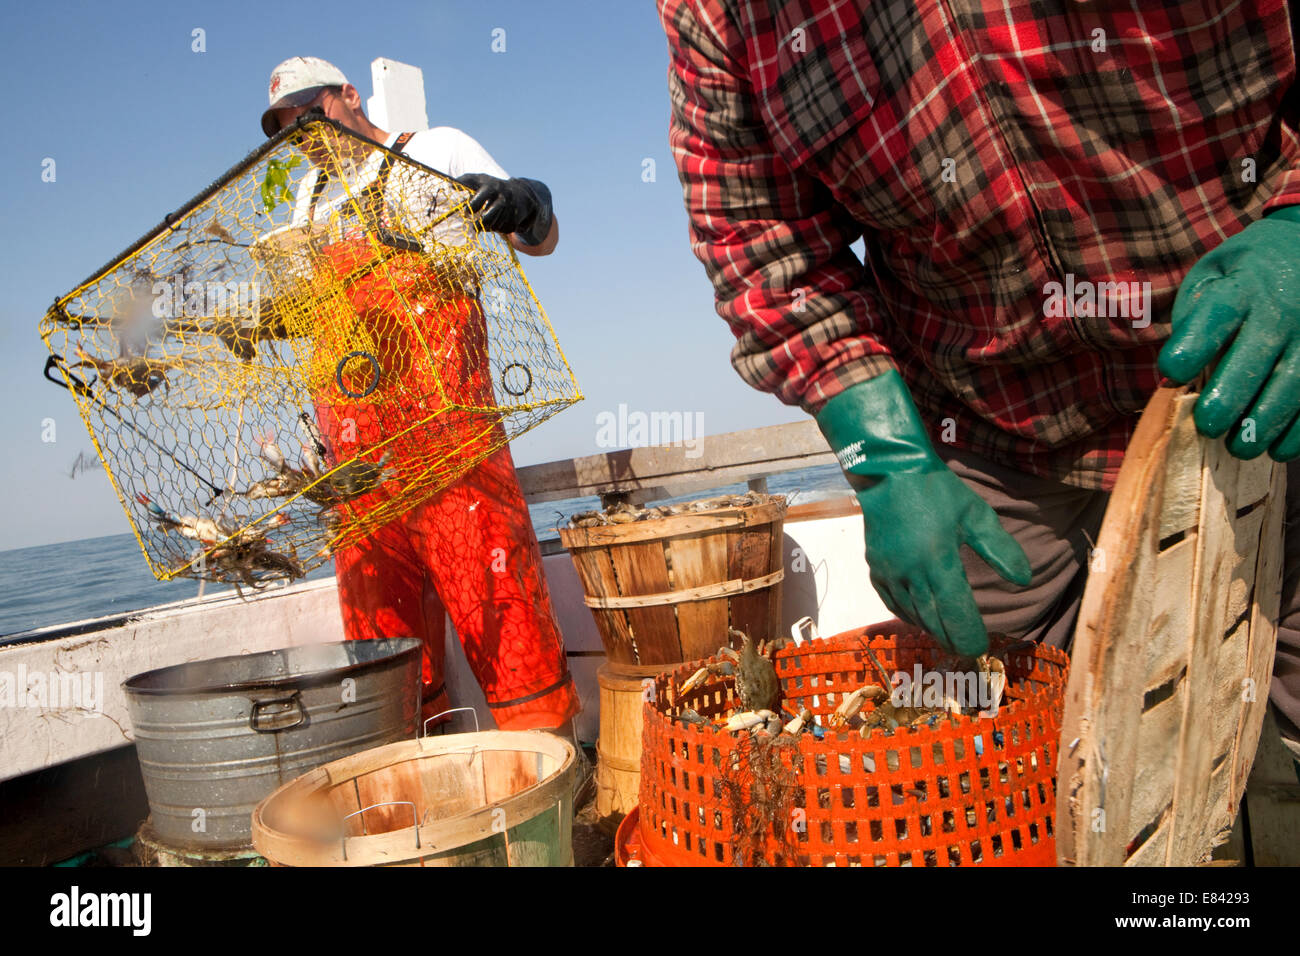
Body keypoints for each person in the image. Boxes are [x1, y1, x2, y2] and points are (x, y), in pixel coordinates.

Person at [657, 0, 1300, 760]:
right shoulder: (717, 14)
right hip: (984, 422)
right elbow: (761, 241)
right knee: (967, 729)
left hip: (1254, 359)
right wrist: (885, 460)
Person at [259, 56, 582, 741]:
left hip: (452, 446)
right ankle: (427, 800)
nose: (304, 138)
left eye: (311, 115)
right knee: (384, 647)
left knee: (504, 612)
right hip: (358, 470)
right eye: (289, 132)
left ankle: (551, 785)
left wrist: (526, 199)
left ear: (348, 96)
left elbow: (543, 240)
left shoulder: (435, 149)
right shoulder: (307, 206)